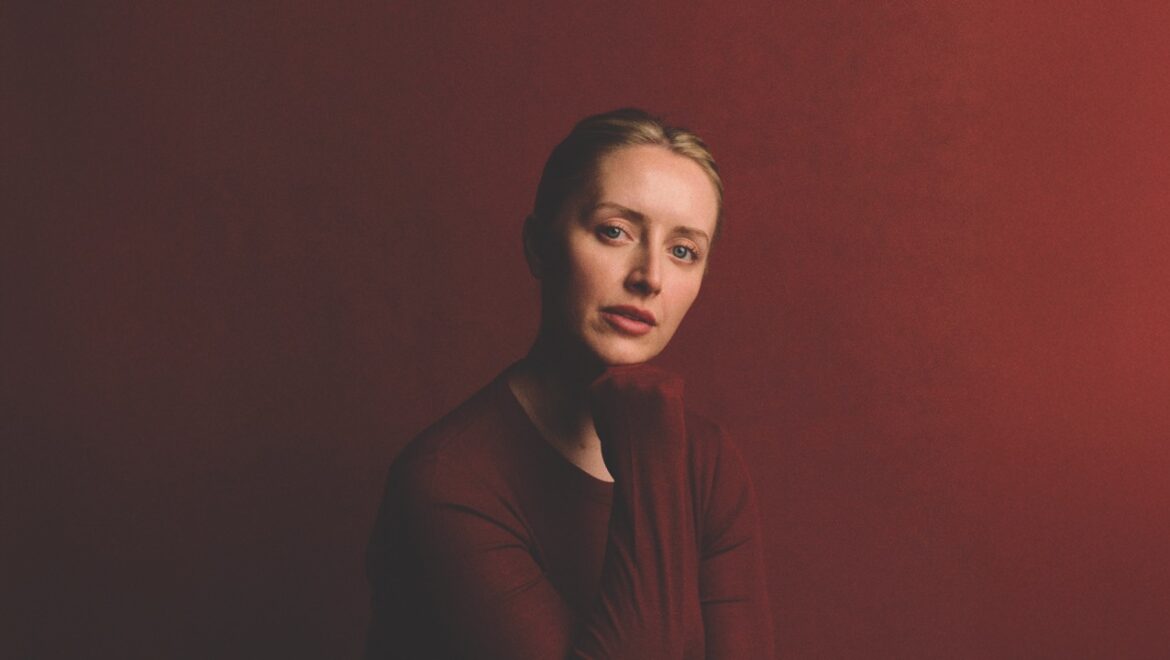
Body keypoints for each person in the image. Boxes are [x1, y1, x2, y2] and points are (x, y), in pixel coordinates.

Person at [365, 108, 774, 659]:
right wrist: (648, 455)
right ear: (539, 245)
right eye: (615, 231)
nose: (649, 276)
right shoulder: (449, 481)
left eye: (683, 251)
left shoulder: (708, 462)